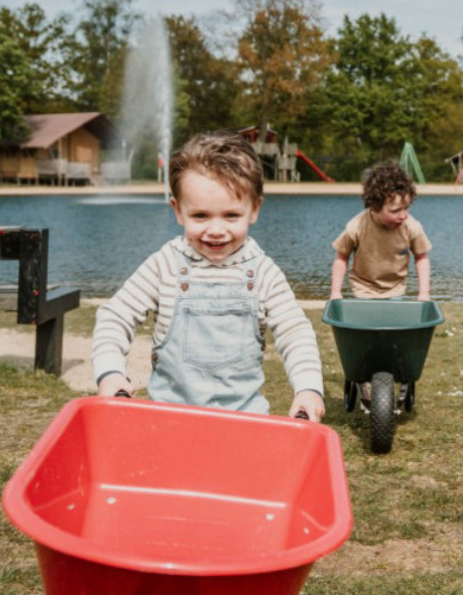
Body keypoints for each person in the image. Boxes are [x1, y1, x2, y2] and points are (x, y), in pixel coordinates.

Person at [93, 131, 325, 421]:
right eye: (201, 216)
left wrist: (308, 389)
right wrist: (110, 373)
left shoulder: (263, 273)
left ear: (254, 209)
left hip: (244, 424)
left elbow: (295, 332)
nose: (216, 229)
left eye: (231, 216)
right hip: (169, 420)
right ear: (178, 211)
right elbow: (116, 316)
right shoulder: (165, 264)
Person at [329, 161, 431, 302]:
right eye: (395, 211)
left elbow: (421, 258)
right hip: (363, 288)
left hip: (395, 289)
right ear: (374, 206)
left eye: (406, 208)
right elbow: (341, 258)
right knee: (366, 322)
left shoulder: (411, 227)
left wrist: (424, 293)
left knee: (392, 323)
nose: (403, 215)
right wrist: (335, 292)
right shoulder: (356, 226)